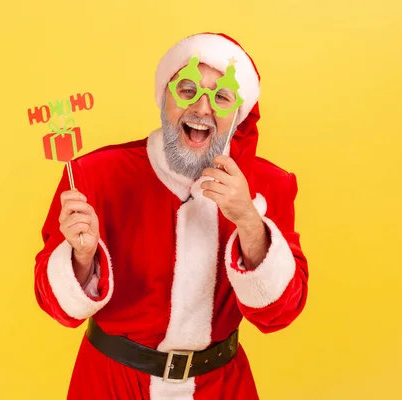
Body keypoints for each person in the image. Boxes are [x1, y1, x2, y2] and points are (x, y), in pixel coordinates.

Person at [33, 32, 309, 400]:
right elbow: (58, 307)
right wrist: (82, 258)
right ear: (165, 97)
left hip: (220, 388)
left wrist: (248, 220)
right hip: (111, 386)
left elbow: (280, 313)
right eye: (188, 90)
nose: (202, 108)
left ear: (237, 116)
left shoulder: (267, 186)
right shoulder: (92, 175)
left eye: (221, 97)